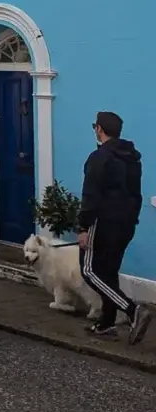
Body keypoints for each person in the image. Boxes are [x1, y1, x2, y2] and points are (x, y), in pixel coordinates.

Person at [77, 111, 151, 344]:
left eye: (94, 127)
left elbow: (91, 195)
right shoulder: (131, 158)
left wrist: (83, 226)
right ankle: (106, 323)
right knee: (109, 272)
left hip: (102, 223)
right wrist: (131, 219)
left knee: (90, 271)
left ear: (99, 129)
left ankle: (132, 310)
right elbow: (135, 194)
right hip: (126, 224)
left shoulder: (99, 158)